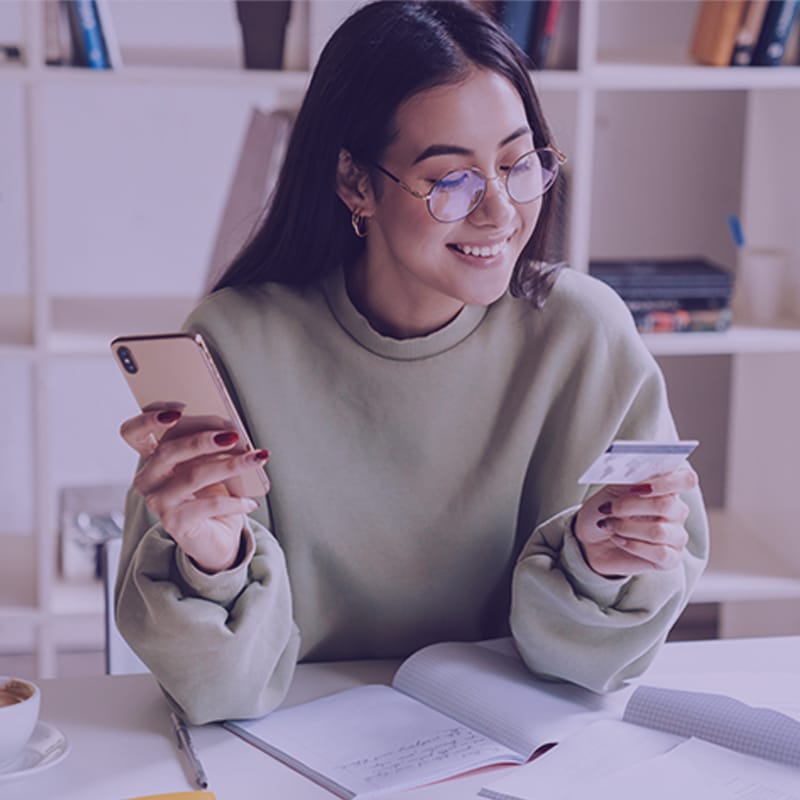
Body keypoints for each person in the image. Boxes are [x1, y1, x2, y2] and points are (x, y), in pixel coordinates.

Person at [116, 0, 708, 725]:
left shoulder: (584, 336)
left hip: (515, 748)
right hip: (292, 749)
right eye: (450, 180)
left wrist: (604, 565)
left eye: (519, 164)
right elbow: (220, 693)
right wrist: (213, 558)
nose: (499, 212)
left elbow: (588, 674)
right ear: (355, 183)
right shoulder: (237, 340)